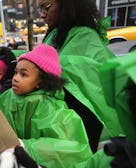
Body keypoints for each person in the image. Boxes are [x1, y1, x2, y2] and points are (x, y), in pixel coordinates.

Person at [38, 0, 124, 152]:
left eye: (47, 7)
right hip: (64, 115)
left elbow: (86, 69)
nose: (42, 15)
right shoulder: (55, 33)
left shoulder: (86, 35)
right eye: (40, 9)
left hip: (84, 113)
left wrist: (38, 64)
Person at [0, 44, 92, 168]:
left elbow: (70, 148)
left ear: (40, 81)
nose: (15, 78)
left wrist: (26, 146)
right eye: (16, 72)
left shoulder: (52, 108)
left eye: (23, 74)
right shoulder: (8, 97)